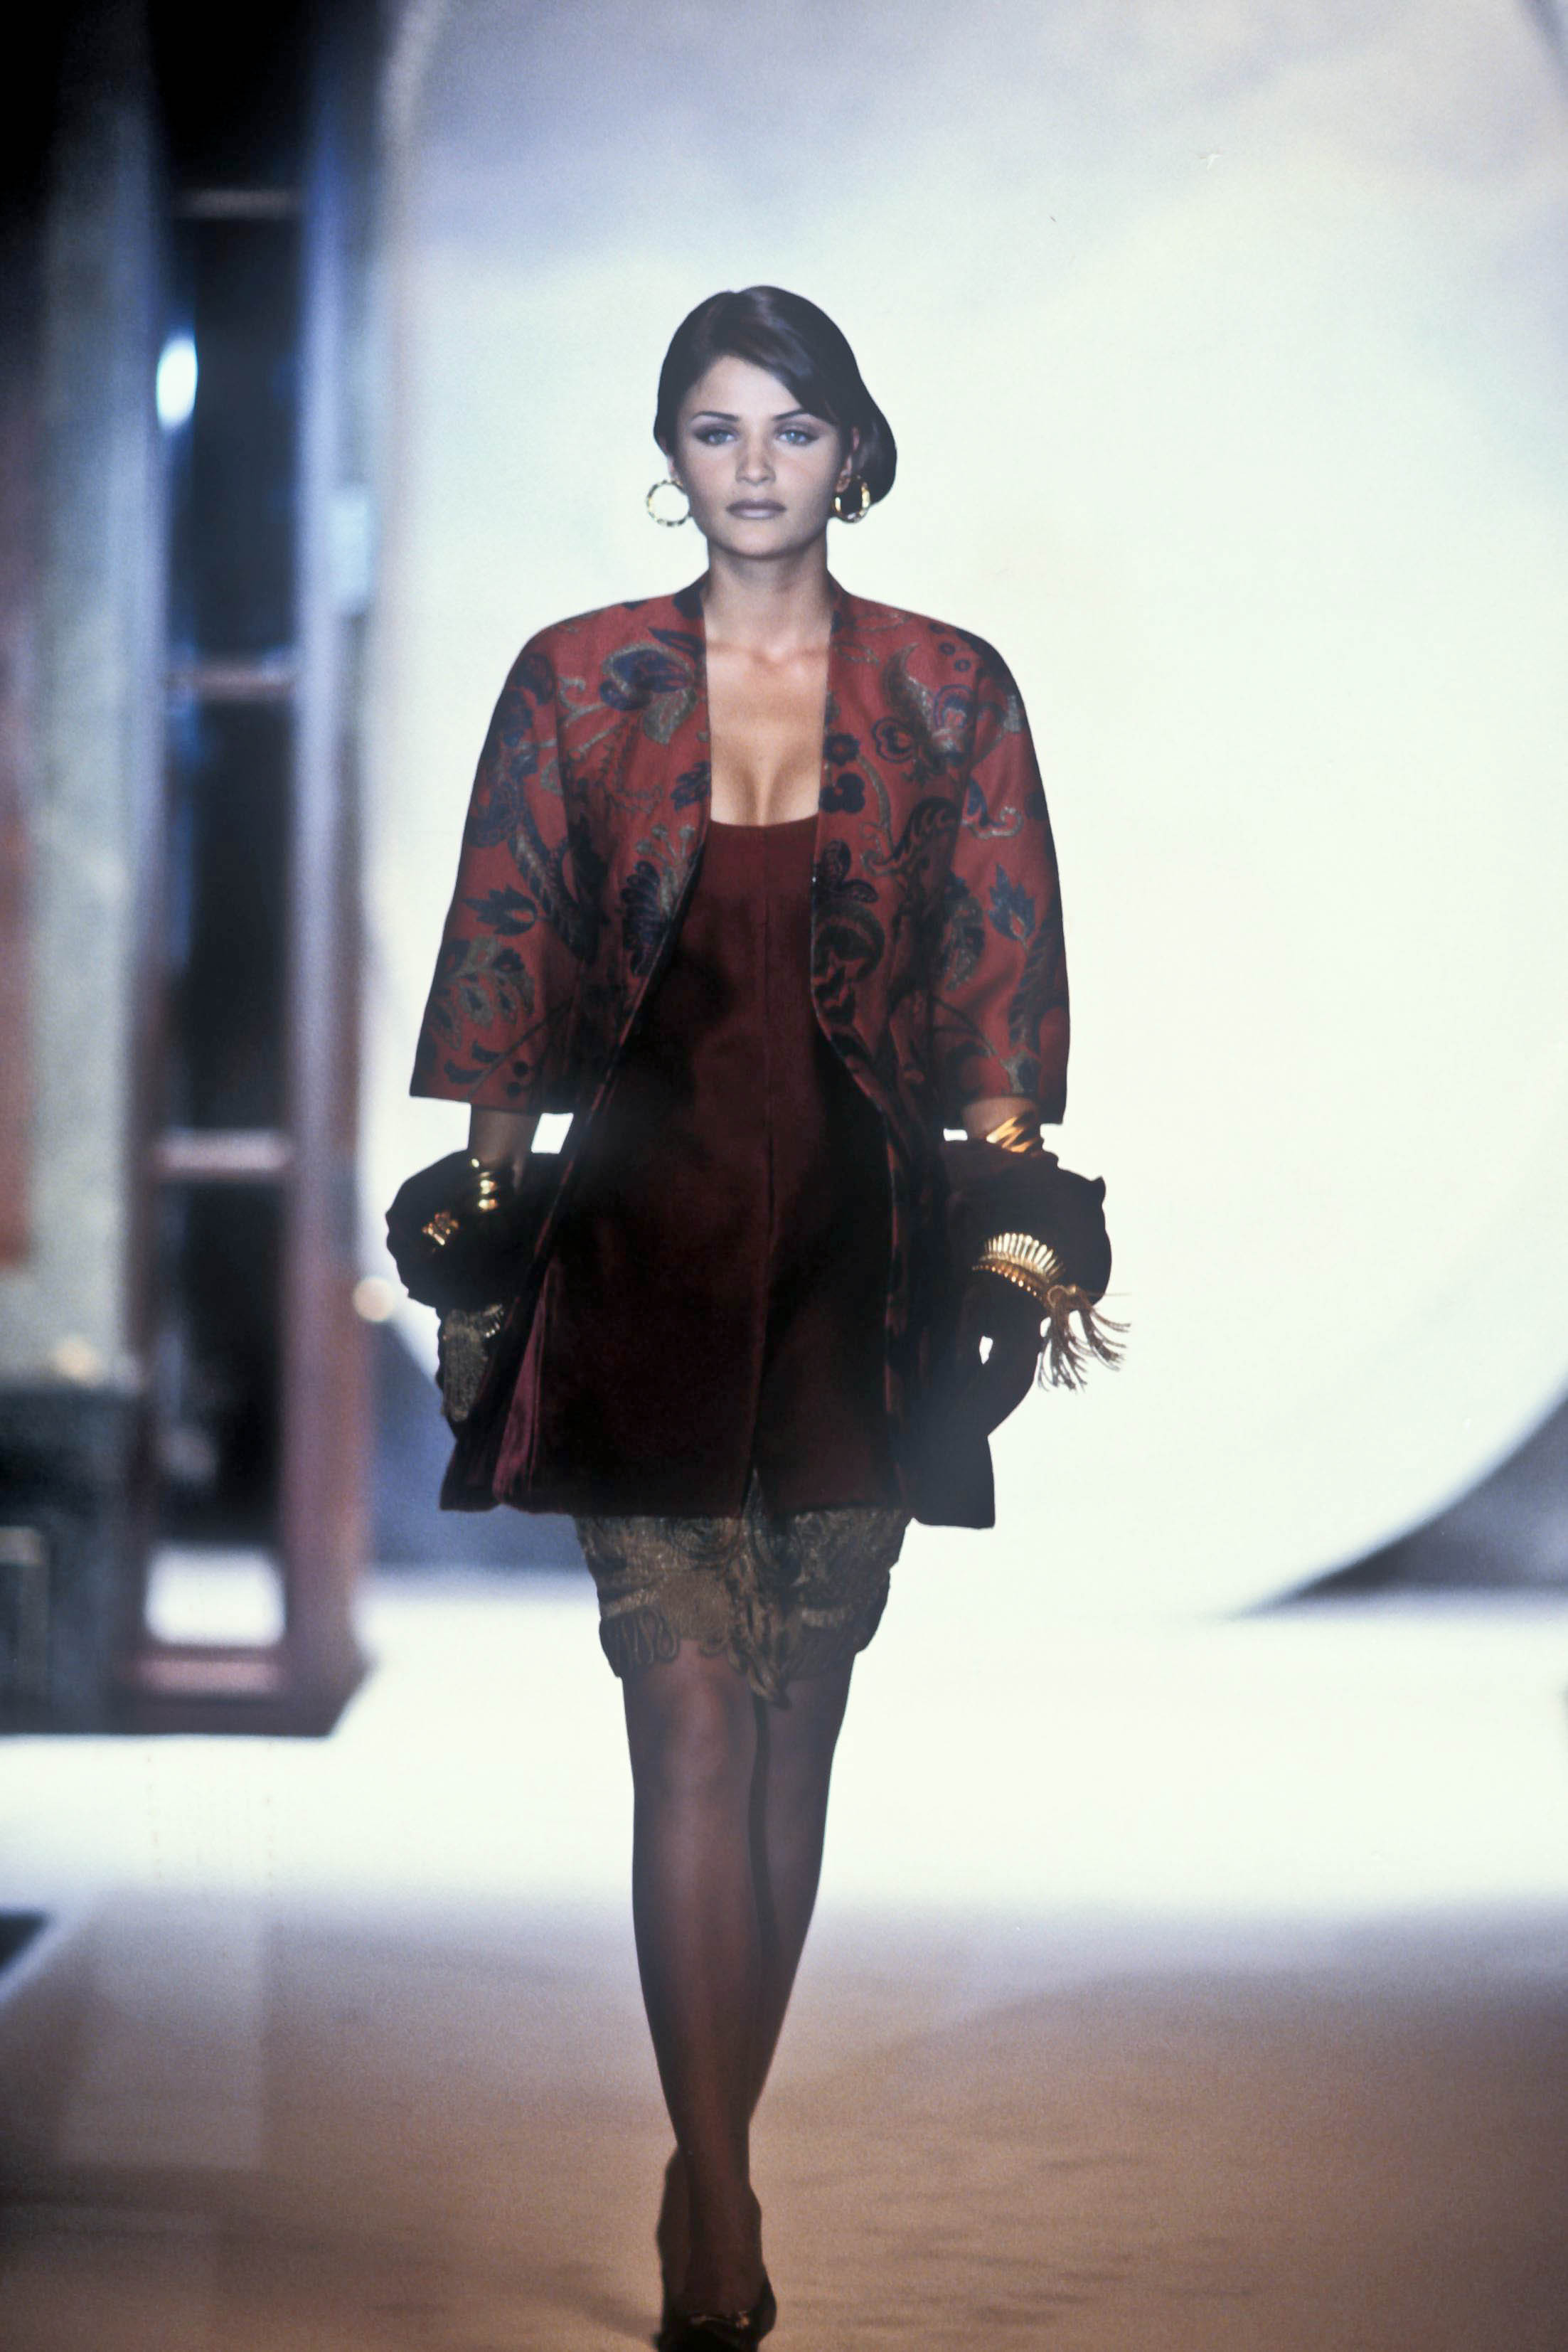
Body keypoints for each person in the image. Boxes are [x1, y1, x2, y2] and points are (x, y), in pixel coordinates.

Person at [405, 285, 1073, 2352]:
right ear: (670, 454)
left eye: (791, 428)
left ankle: (713, 2152)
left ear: (852, 449)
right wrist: (486, 1221)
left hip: (861, 1268)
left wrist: (1017, 1223)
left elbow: (999, 982)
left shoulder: (949, 690)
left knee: (797, 1725)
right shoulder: (579, 680)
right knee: (684, 1716)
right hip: (643, 1252)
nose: (755, 466)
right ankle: (719, 2197)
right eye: (716, 429)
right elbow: (509, 952)